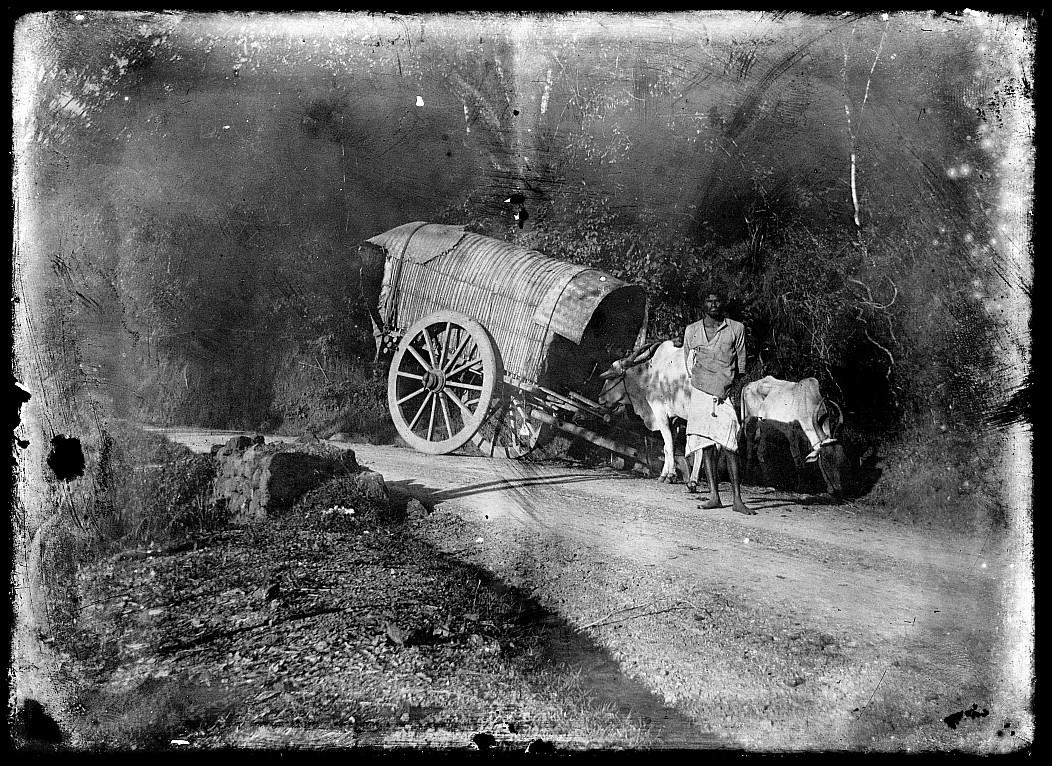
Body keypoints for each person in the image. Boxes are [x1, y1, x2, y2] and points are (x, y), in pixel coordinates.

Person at [682, 286, 754, 515]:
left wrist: (729, 390)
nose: (713, 305)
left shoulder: (736, 329)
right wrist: (700, 385)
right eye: (709, 301)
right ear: (702, 304)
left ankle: (737, 500)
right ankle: (714, 495)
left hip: (724, 395)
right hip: (700, 393)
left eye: (717, 301)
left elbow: (741, 366)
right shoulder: (692, 331)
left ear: (723, 303)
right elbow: (688, 362)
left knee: (731, 444)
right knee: (705, 444)